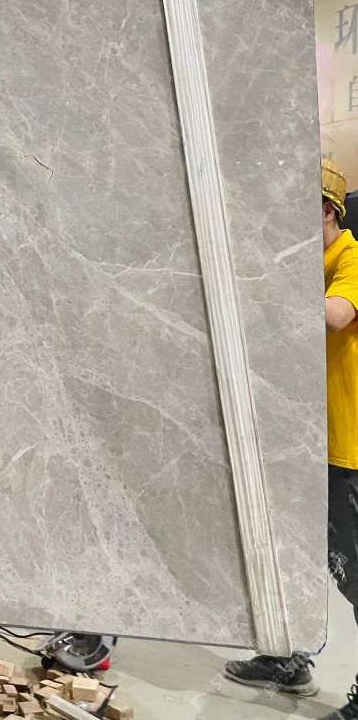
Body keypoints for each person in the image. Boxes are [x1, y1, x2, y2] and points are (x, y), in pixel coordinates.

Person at [222, 155, 358, 719]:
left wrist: (270, 281)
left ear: (326, 210)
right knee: (293, 558)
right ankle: (287, 659)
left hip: (345, 447)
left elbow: (336, 314)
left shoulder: (349, 255)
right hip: (300, 442)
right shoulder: (299, 260)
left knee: (353, 570)